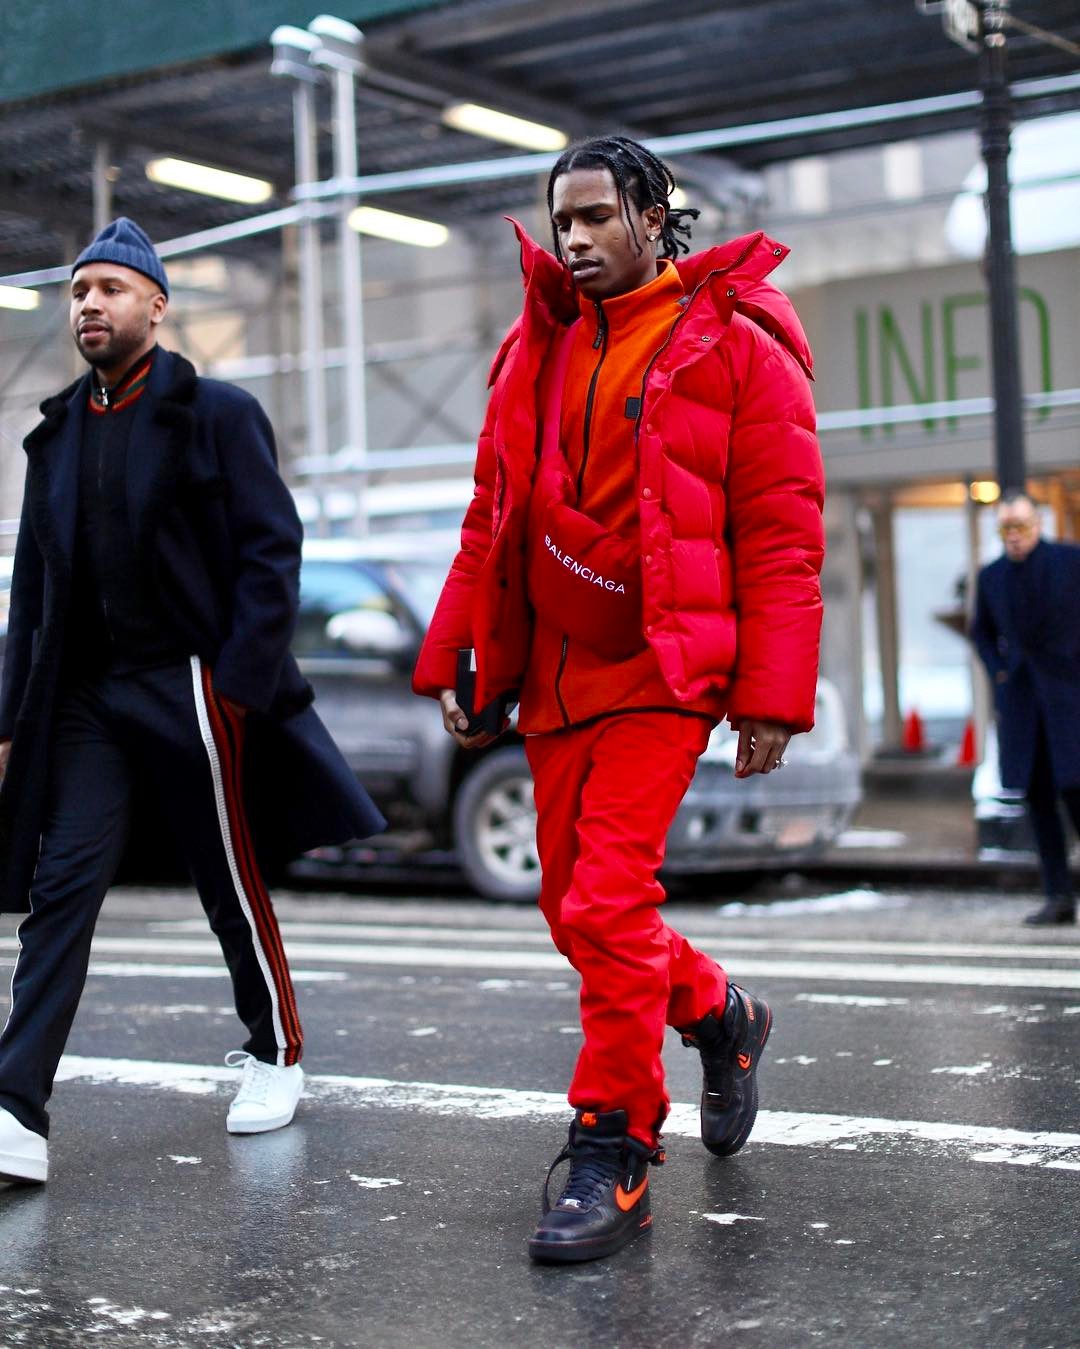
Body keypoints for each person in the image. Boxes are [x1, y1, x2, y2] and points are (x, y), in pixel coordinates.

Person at [413, 137, 824, 1263]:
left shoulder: (736, 340)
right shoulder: (532, 343)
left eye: (598, 215)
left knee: (604, 901)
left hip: (663, 665)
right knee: (573, 911)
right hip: (553, 668)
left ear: (654, 214)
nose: (577, 238)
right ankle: (722, 1012)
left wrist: (771, 695)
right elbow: (490, 512)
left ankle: (613, 1141)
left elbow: (782, 530)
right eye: (564, 221)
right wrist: (458, 654)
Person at [0, 218, 384, 1185]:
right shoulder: (52, 437)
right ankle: (14, 1108)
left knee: (227, 880)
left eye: (111, 289)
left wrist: (236, 684)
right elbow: (32, 595)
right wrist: (8, 720)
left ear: (156, 305)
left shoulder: (216, 412)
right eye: (79, 291)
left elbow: (271, 552)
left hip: (189, 682)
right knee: (62, 888)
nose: (90, 304)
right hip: (86, 696)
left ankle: (276, 1050)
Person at [972, 488, 1080, 925]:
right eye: (1005, 528)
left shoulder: (1070, 562)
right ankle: (1058, 896)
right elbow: (981, 632)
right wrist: (1000, 670)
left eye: (1021, 526)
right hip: (1023, 704)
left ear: (1038, 524)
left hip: (1070, 697)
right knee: (1039, 802)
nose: (1014, 536)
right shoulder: (992, 576)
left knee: (1077, 793)